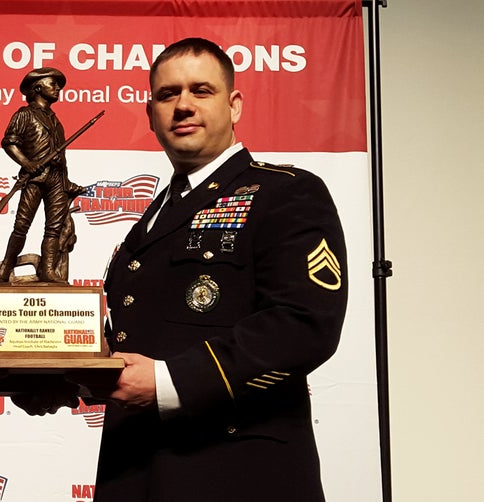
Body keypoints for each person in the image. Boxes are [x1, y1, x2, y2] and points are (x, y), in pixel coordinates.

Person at [86, 37, 349, 501]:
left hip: (239, 473)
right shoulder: (153, 218)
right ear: (150, 115)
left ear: (235, 106)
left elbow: (305, 324)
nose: (183, 105)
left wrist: (169, 382)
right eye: (167, 95)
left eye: (200, 90)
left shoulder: (284, 193)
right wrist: (66, 367)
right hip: (137, 471)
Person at [0, 67, 84, 283]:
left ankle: (48, 270)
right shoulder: (24, 114)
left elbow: (62, 156)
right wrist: (27, 164)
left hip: (57, 180)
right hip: (35, 179)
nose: (58, 88)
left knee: (54, 229)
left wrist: (67, 182)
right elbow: (9, 143)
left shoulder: (56, 121)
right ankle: (4, 269)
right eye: (53, 84)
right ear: (38, 87)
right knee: (21, 226)